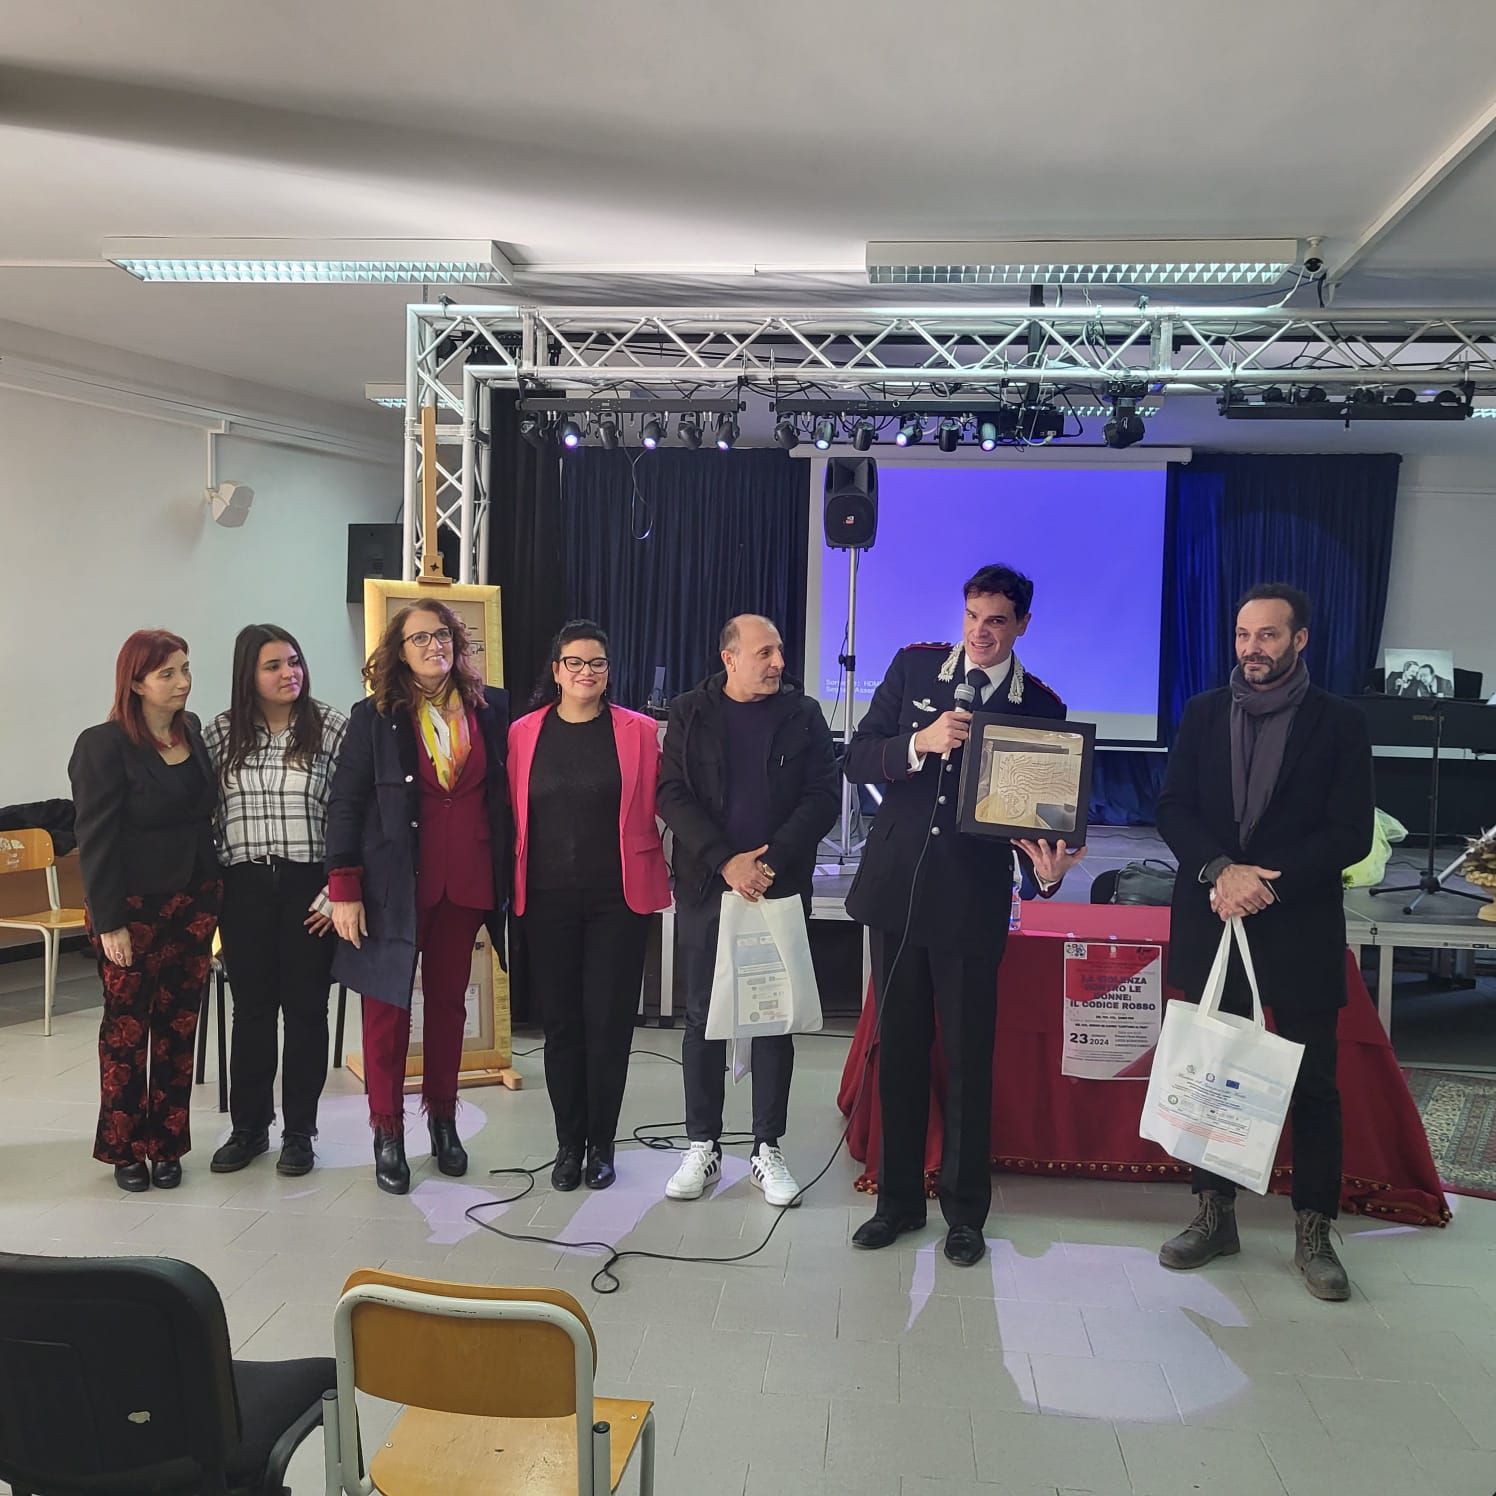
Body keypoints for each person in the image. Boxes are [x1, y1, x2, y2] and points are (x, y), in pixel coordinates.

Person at [844, 565, 1085, 1265]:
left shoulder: (1040, 706)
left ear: (1022, 626)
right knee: (899, 1052)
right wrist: (918, 743)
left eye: (997, 621)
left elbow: (1043, 829)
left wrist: (1046, 875)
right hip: (898, 894)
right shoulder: (915, 668)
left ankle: (965, 1214)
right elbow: (857, 758)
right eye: (973, 617)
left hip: (973, 902)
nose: (981, 633)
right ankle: (896, 1202)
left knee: (969, 1060)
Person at [1154, 583, 1374, 1300]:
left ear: (1299, 640)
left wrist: (1263, 883)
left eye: (1269, 635)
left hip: (1298, 924)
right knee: (1213, 1073)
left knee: (1313, 1084)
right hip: (1214, 918)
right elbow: (1173, 807)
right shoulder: (1202, 712)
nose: (1253, 648)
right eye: (1244, 635)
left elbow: (1350, 832)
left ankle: (1314, 1229)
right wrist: (1222, 870)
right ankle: (1214, 1216)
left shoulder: (1340, 723)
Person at [325, 602, 511, 1194]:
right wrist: (343, 888)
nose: (435, 645)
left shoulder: (492, 708)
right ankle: (387, 1131)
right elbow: (345, 803)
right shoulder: (374, 717)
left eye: (443, 634)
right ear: (399, 652)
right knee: (387, 1011)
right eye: (420, 638)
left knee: (450, 1006)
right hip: (393, 888)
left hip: (467, 883)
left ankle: (443, 1120)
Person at [656, 614, 839, 1206]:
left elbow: (822, 797)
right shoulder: (690, 712)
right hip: (708, 886)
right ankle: (702, 1145)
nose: (779, 662)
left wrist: (770, 862)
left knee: (773, 1017)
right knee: (702, 1015)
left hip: (778, 887)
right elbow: (671, 793)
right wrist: (725, 861)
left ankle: (767, 1147)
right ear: (729, 658)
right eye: (765, 653)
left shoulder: (803, 714)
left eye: (780, 651)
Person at [508, 621, 671, 1191]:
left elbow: (671, 800)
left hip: (618, 901)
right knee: (561, 1028)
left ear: (608, 670)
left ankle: (602, 1144)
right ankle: (567, 1144)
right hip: (546, 899)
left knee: (608, 1026)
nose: (586, 672)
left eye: (596, 663)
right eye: (574, 662)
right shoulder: (522, 733)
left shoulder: (639, 731)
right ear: (556, 671)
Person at [69, 630, 222, 1193]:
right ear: (135, 683)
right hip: (131, 910)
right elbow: (96, 839)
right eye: (167, 673)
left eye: (185, 668)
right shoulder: (102, 745)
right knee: (127, 1030)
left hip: (195, 901)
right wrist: (109, 922)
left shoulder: (193, 731)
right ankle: (125, 1147)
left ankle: (168, 1144)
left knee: (179, 1027)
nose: (183, 682)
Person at [203, 624, 349, 1178]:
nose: (290, 673)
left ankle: (300, 1133)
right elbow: (203, 815)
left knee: (307, 1011)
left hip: (310, 890)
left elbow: (351, 814)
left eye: (294, 661)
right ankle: (249, 1128)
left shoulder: (330, 727)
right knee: (252, 1012)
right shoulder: (220, 735)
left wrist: (336, 892)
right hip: (243, 889)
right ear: (248, 674)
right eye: (274, 665)